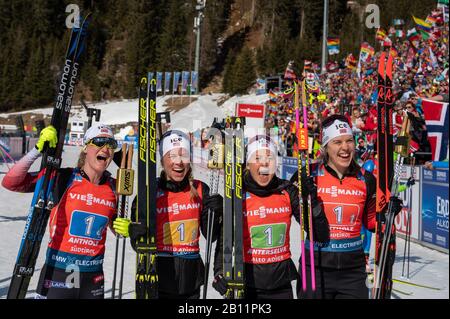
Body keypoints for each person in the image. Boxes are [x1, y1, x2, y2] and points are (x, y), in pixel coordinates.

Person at [290, 114, 402, 299]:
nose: (345, 147)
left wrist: (388, 212)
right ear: (326, 147)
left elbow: (372, 222)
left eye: (349, 140)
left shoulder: (365, 179)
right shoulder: (308, 176)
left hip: (353, 269)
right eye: (337, 142)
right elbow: (295, 215)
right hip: (315, 267)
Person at [2, 123, 120, 299]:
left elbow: (118, 229)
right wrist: (36, 150)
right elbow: (11, 182)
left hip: (93, 278)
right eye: (99, 142)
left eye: (111, 144)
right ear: (86, 147)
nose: (106, 148)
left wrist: (126, 227)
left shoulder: (114, 187)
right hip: (57, 273)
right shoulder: (63, 178)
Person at [211, 135, 329, 299]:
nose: (264, 163)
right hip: (245, 285)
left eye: (270, 158)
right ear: (248, 164)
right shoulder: (238, 195)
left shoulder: (287, 191)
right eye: (257, 158)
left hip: (281, 287)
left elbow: (321, 235)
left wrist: (313, 201)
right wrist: (219, 272)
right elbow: (225, 241)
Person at [113, 130, 223, 299]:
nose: (179, 162)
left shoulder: (201, 189)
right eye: (172, 155)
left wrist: (216, 212)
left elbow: (211, 235)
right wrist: (134, 231)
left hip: (191, 284)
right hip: (157, 282)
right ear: (163, 161)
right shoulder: (149, 192)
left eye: (184, 155)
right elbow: (139, 245)